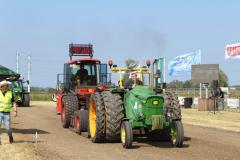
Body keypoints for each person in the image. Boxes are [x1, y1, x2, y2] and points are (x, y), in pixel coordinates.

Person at [0, 80, 17, 144]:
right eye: (6, 85)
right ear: (2, 87)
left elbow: (14, 103)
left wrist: (15, 111)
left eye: (7, 85)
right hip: (0, 112)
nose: (7, 86)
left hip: (7, 113)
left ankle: (10, 136)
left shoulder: (10, 93)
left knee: (8, 128)